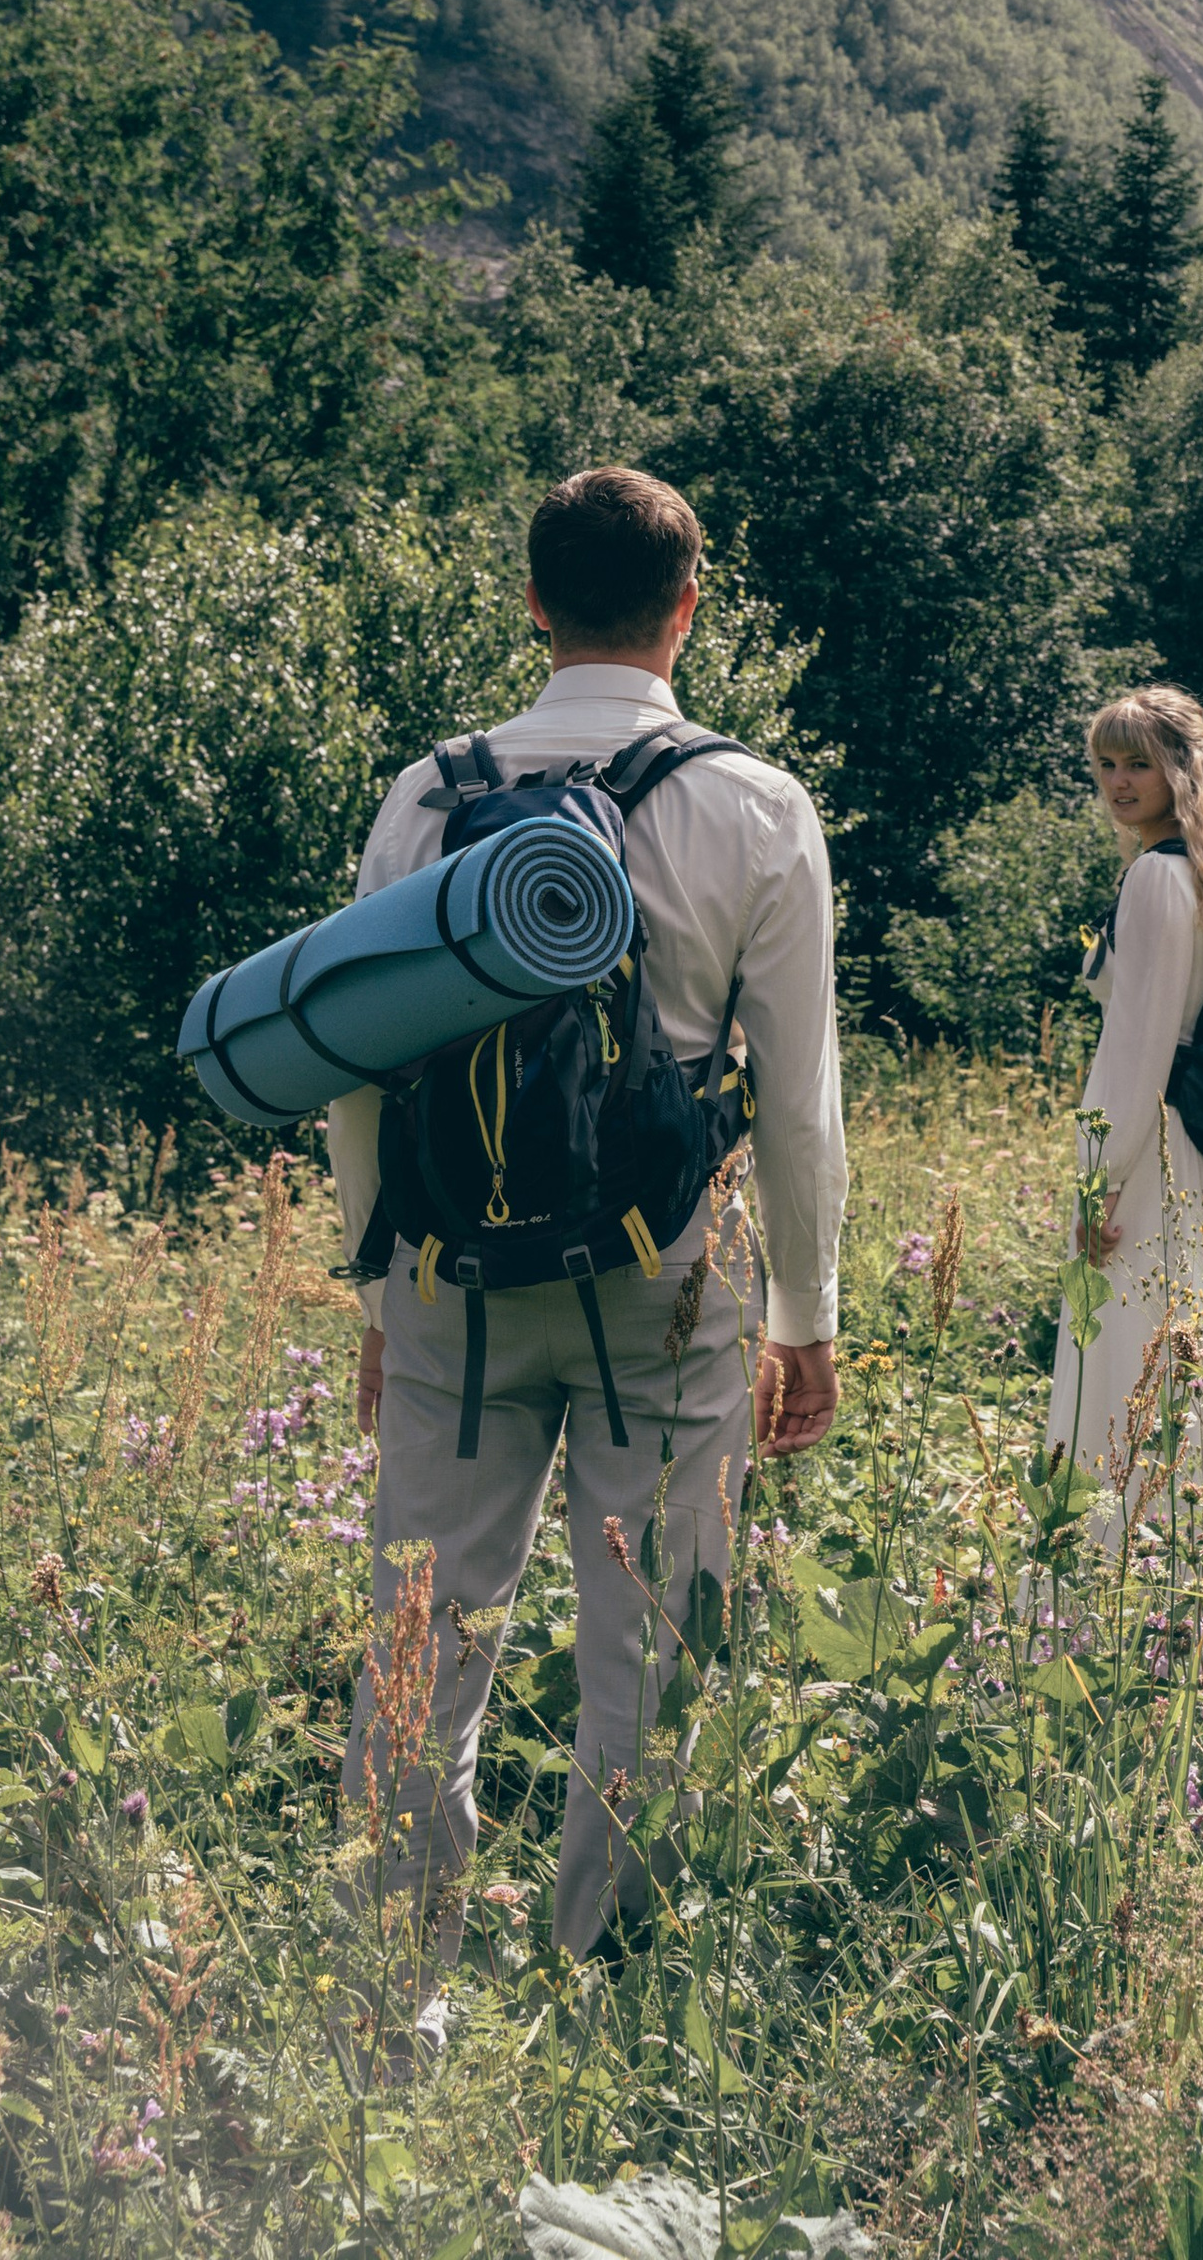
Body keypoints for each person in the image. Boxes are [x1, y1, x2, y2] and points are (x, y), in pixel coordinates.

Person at [328, 465, 845, 2000]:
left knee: (425, 1636)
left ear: (535, 603)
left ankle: (390, 1997)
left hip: (451, 1284)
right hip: (666, 1284)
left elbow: (357, 1063)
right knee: (649, 1640)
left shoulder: (425, 796)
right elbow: (802, 1098)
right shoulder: (753, 806)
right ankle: (604, 1991)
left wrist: (375, 1294)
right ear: (690, 608)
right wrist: (805, 1318)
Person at [1046, 683, 1203, 1537]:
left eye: (1137, 762)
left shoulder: (1152, 878)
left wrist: (1096, 1180)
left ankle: (1110, 1560)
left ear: (1181, 767)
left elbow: (1136, 1049)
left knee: (1126, 1357)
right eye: (1104, 764)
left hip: (1152, 1156)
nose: (1117, 782)